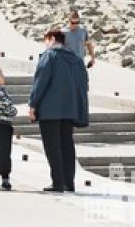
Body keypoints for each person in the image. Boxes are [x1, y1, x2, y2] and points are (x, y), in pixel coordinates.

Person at [29, 29, 89, 193]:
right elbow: (84, 83)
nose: (45, 44)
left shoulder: (49, 56)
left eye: (46, 40)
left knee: (52, 146)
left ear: (53, 39)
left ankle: (58, 182)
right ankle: (69, 183)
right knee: (67, 145)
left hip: (50, 110)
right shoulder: (76, 59)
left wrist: (33, 104)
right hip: (70, 110)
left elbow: (40, 81)